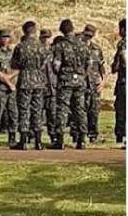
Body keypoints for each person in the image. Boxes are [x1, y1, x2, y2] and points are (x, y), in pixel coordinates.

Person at [50, 19, 90, 150]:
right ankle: (82, 139)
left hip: (65, 80)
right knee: (80, 109)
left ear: (62, 31)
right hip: (80, 80)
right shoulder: (83, 45)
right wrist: (82, 74)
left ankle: (60, 139)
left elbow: (56, 66)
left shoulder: (60, 46)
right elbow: (89, 64)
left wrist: (60, 73)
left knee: (62, 108)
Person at [10, 21, 49, 150]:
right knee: (37, 111)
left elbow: (14, 65)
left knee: (24, 110)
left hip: (25, 80)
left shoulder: (20, 47)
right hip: (39, 81)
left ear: (24, 31)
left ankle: (23, 140)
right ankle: (38, 141)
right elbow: (45, 63)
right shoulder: (42, 47)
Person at [0, 29, 18, 147]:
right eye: (3, 37)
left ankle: (12, 137)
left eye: (7, 37)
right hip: (0, 86)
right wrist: (8, 81)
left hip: (11, 87)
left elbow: (18, 68)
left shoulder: (13, 53)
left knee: (13, 112)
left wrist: (10, 77)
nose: (5, 39)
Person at [82, 24, 105, 143]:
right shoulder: (78, 47)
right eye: (86, 35)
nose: (88, 37)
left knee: (94, 110)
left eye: (90, 36)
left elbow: (102, 67)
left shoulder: (96, 48)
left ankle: (93, 134)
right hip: (82, 83)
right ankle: (79, 135)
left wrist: (103, 82)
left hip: (94, 83)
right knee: (81, 109)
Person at [39, 28, 57, 145]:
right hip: (39, 87)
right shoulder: (37, 51)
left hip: (52, 87)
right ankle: (36, 137)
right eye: (44, 37)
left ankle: (53, 137)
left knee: (52, 115)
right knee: (37, 115)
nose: (46, 40)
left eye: (48, 37)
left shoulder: (54, 52)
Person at [112, 18, 126, 145]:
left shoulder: (123, 44)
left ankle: (121, 136)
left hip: (124, 81)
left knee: (121, 109)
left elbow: (116, 66)